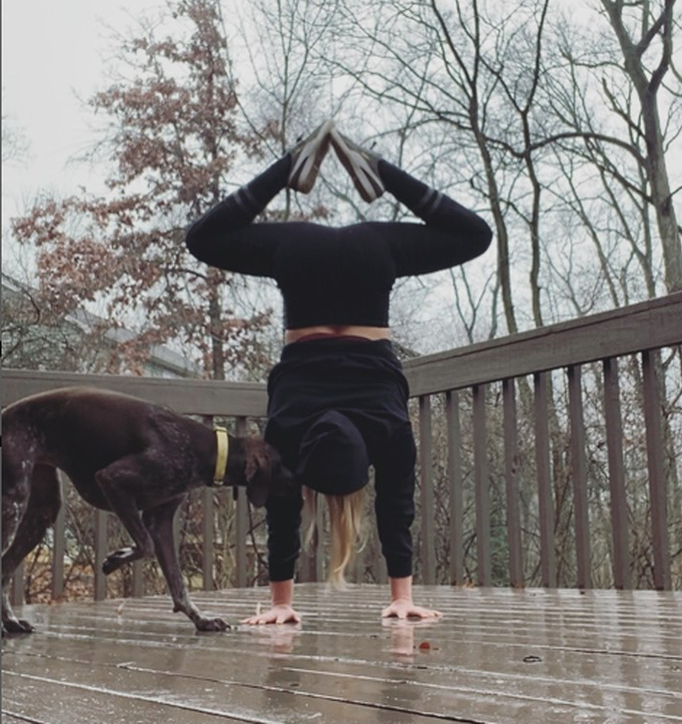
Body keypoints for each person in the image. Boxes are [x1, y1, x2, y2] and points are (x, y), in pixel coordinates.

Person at [185, 120, 492, 624]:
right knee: (204, 240)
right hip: (316, 345)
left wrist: (399, 596)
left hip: (358, 334)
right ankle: (353, 170)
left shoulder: (385, 429)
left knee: (203, 239)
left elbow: (393, 501)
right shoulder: (297, 429)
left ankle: (346, 169)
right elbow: (289, 505)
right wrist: (396, 598)